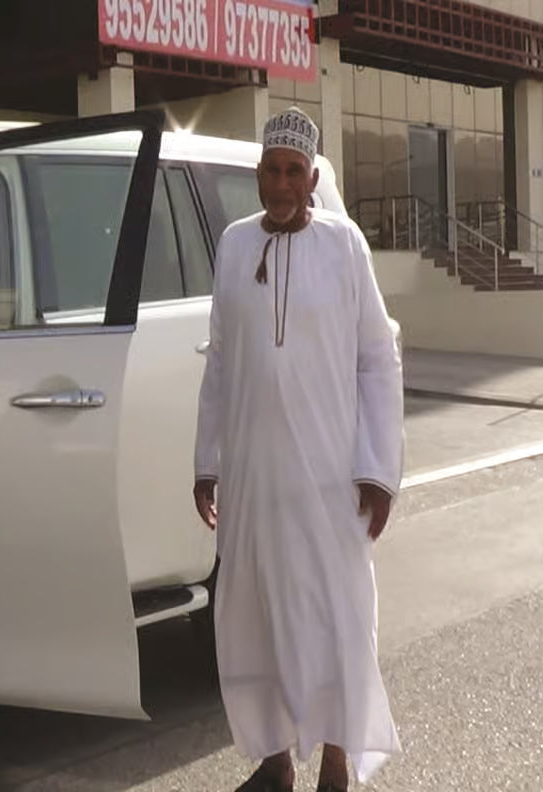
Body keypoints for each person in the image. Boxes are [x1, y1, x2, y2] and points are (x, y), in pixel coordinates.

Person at [192, 106, 404, 792]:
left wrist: (378, 469)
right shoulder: (233, 245)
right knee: (252, 616)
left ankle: (337, 762)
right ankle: (275, 760)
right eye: (271, 170)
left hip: (328, 476)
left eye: (294, 172)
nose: (281, 183)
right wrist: (207, 462)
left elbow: (378, 357)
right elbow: (220, 360)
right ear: (258, 174)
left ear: (312, 180)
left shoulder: (344, 246)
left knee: (337, 615)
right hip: (253, 478)